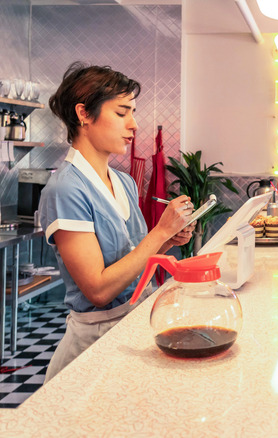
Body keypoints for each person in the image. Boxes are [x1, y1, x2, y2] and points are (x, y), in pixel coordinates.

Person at [40, 62, 195, 381]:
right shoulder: (65, 189)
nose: (135, 124)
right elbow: (98, 289)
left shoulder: (124, 182)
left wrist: (169, 238)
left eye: (133, 112)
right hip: (93, 345)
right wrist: (161, 230)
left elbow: (132, 256)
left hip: (136, 323)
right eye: (122, 112)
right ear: (83, 114)